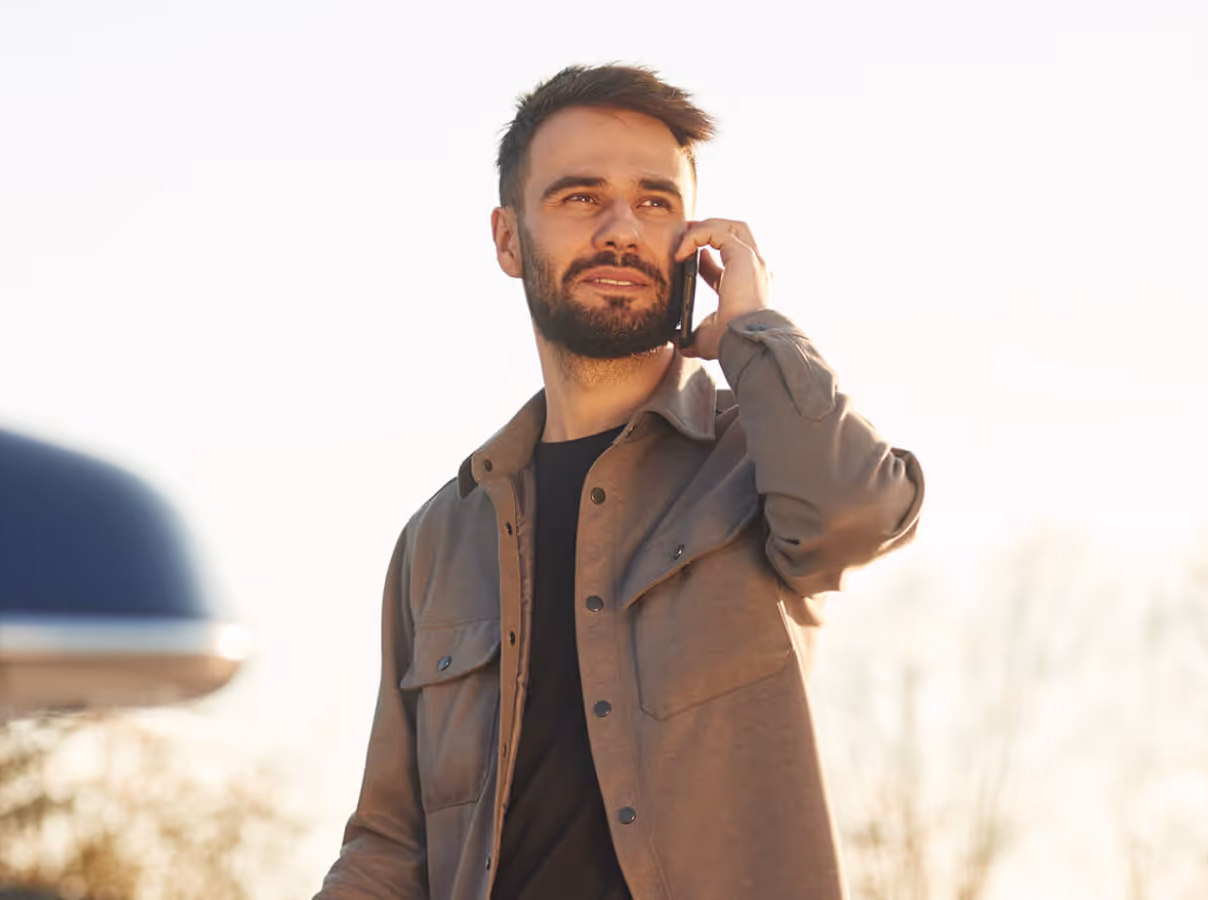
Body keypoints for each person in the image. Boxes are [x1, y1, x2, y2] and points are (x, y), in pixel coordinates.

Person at [316, 64, 925, 900]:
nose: (621, 229)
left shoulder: (761, 456)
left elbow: (858, 516)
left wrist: (754, 329)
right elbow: (389, 846)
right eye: (579, 198)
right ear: (507, 238)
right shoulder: (439, 539)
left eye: (655, 200)